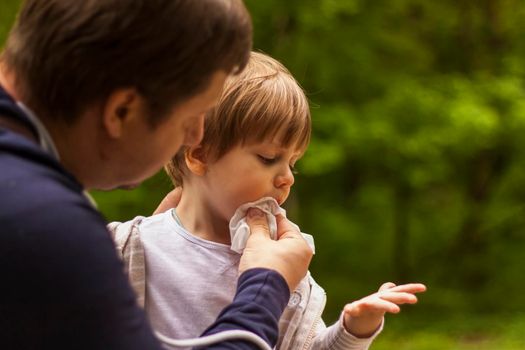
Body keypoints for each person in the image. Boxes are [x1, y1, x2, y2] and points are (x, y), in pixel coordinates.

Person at [0, 1, 314, 349]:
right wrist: (265, 288)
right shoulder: (43, 227)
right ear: (122, 111)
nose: (195, 137)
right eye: (192, 116)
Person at [110, 52, 427, 350]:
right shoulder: (127, 247)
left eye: (292, 162)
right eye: (268, 158)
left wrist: (352, 330)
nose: (287, 177)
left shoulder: (283, 263)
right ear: (199, 154)